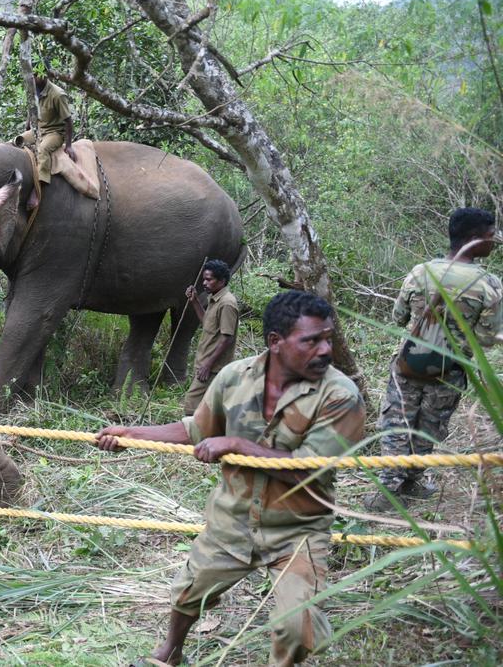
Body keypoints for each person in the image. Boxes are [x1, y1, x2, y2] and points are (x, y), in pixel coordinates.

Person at [95, 291, 365, 666]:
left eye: (328, 338)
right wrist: (133, 434)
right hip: (233, 518)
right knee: (189, 592)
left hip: (297, 529)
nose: (325, 350)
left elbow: (310, 468)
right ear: (275, 342)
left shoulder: (341, 395)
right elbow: (196, 429)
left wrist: (237, 443)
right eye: (311, 340)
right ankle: (171, 650)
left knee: (297, 627)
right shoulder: (234, 377)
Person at [364, 207, 501, 511]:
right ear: (474, 239)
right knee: (429, 426)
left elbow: (398, 317)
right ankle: (412, 480)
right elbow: (486, 339)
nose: (495, 242)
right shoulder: (488, 284)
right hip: (449, 370)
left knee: (398, 421)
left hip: (408, 363)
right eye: (491, 236)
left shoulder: (420, 272)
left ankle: (387, 489)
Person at [182, 259, 239, 415]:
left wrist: (208, 365)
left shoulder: (227, 303)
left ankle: (190, 436)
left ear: (221, 281)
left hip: (212, 368)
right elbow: (207, 323)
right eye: (204, 279)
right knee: (207, 409)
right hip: (205, 364)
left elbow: (227, 338)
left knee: (191, 406)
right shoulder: (214, 298)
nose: (205, 283)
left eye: (209, 279)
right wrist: (194, 301)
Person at [13, 73, 76, 212]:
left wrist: (69, 146)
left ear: (44, 75)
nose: (33, 78)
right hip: (39, 130)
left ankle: (38, 190)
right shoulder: (34, 89)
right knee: (16, 141)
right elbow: (31, 109)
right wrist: (27, 128)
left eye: (36, 75)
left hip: (54, 132)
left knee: (43, 150)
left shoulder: (58, 94)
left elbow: (68, 121)